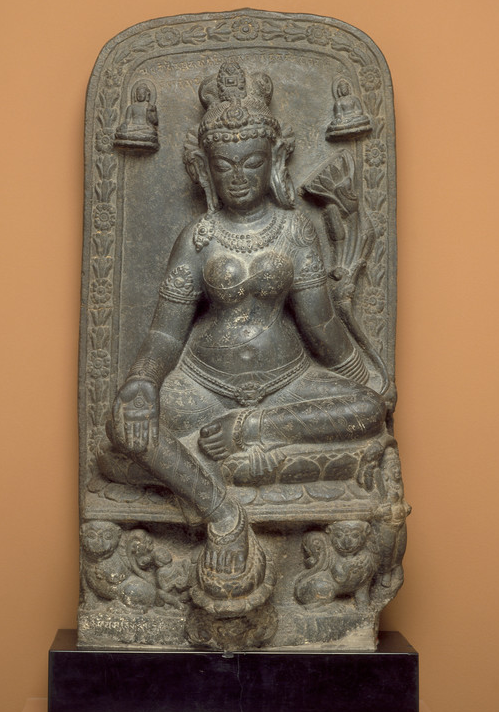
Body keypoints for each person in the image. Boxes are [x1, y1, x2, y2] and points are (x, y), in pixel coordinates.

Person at [110, 62, 386, 614]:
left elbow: (323, 330)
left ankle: (248, 434)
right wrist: (141, 383)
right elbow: (164, 334)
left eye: (252, 162)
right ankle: (221, 511)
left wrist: (366, 379)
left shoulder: (295, 231)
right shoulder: (198, 237)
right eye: (225, 164)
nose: (238, 175)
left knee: (367, 412)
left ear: (275, 161)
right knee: (123, 433)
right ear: (205, 169)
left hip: (287, 386)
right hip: (204, 385)